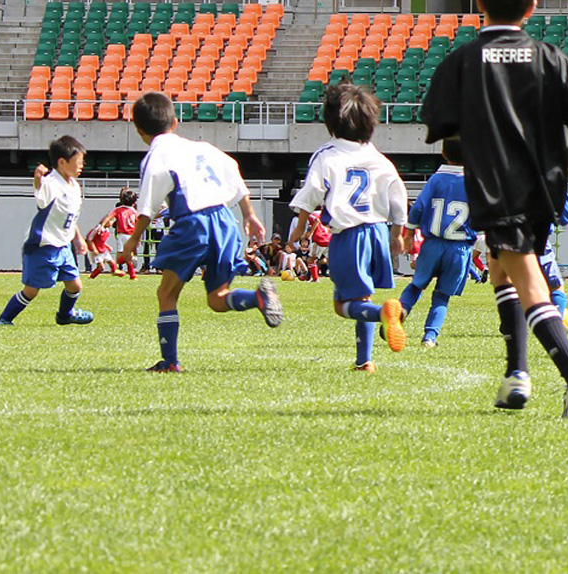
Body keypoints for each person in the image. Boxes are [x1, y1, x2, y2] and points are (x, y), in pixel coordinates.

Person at [420, 0, 568, 417]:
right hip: (544, 186)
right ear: (533, 6)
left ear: (480, 4)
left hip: (497, 187)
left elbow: (441, 128)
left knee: (526, 276)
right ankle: (515, 374)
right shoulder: (550, 56)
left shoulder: (464, 60)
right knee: (501, 268)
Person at [117, 92, 283, 373]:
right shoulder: (203, 147)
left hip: (193, 222)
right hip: (224, 220)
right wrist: (249, 214)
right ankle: (257, 297)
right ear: (175, 121)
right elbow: (233, 169)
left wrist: (133, 240)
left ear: (139, 130)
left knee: (167, 293)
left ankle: (170, 362)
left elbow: (147, 206)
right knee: (217, 299)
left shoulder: (156, 155)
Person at [290, 82, 412, 372]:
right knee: (361, 296)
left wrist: (300, 226)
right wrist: (397, 235)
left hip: (349, 235)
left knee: (343, 305)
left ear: (330, 122)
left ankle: (384, 313)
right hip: (377, 234)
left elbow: (312, 192)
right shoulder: (380, 159)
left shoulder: (327, 155)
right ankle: (364, 361)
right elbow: (399, 197)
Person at [0, 135, 97, 326]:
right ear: (62, 162)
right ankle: (5, 319)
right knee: (31, 290)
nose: (81, 165)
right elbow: (41, 197)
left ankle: (65, 315)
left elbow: (69, 216)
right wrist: (37, 180)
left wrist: (78, 238)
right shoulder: (51, 183)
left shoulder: (74, 186)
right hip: (44, 245)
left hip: (63, 245)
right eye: (78, 161)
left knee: (75, 285)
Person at [397, 139, 478, 348]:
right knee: (442, 296)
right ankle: (430, 337)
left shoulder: (436, 180)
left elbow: (418, 208)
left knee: (416, 285)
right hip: (459, 248)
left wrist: (408, 234)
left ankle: (400, 312)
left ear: (442, 152)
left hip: (432, 243)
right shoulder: (474, 182)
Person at [94, 187, 141, 279]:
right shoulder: (135, 212)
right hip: (132, 235)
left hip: (121, 235)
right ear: (134, 202)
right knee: (128, 256)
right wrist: (138, 238)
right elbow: (138, 225)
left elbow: (108, 217)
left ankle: (131, 272)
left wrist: (102, 226)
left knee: (120, 258)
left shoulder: (118, 210)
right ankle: (132, 270)